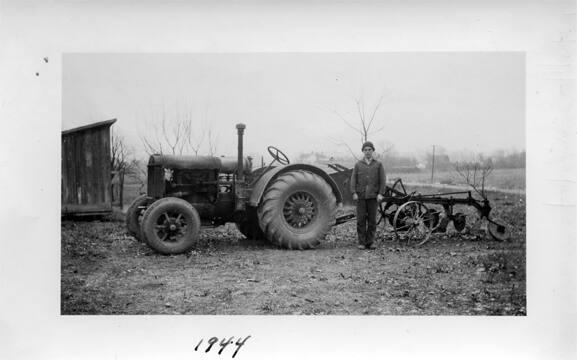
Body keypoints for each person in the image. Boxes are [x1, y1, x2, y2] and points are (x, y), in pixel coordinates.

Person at [350, 141, 386, 250]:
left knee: (372, 221)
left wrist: (380, 193)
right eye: (365, 150)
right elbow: (353, 179)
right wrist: (354, 192)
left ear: (373, 151)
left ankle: (370, 242)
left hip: (373, 197)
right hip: (360, 197)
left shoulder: (378, 165)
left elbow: (382, 180)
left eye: (369, 150)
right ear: (363, 151)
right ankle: (361, 242)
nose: (367, 152)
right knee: (360, 220)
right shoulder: (358, 165)